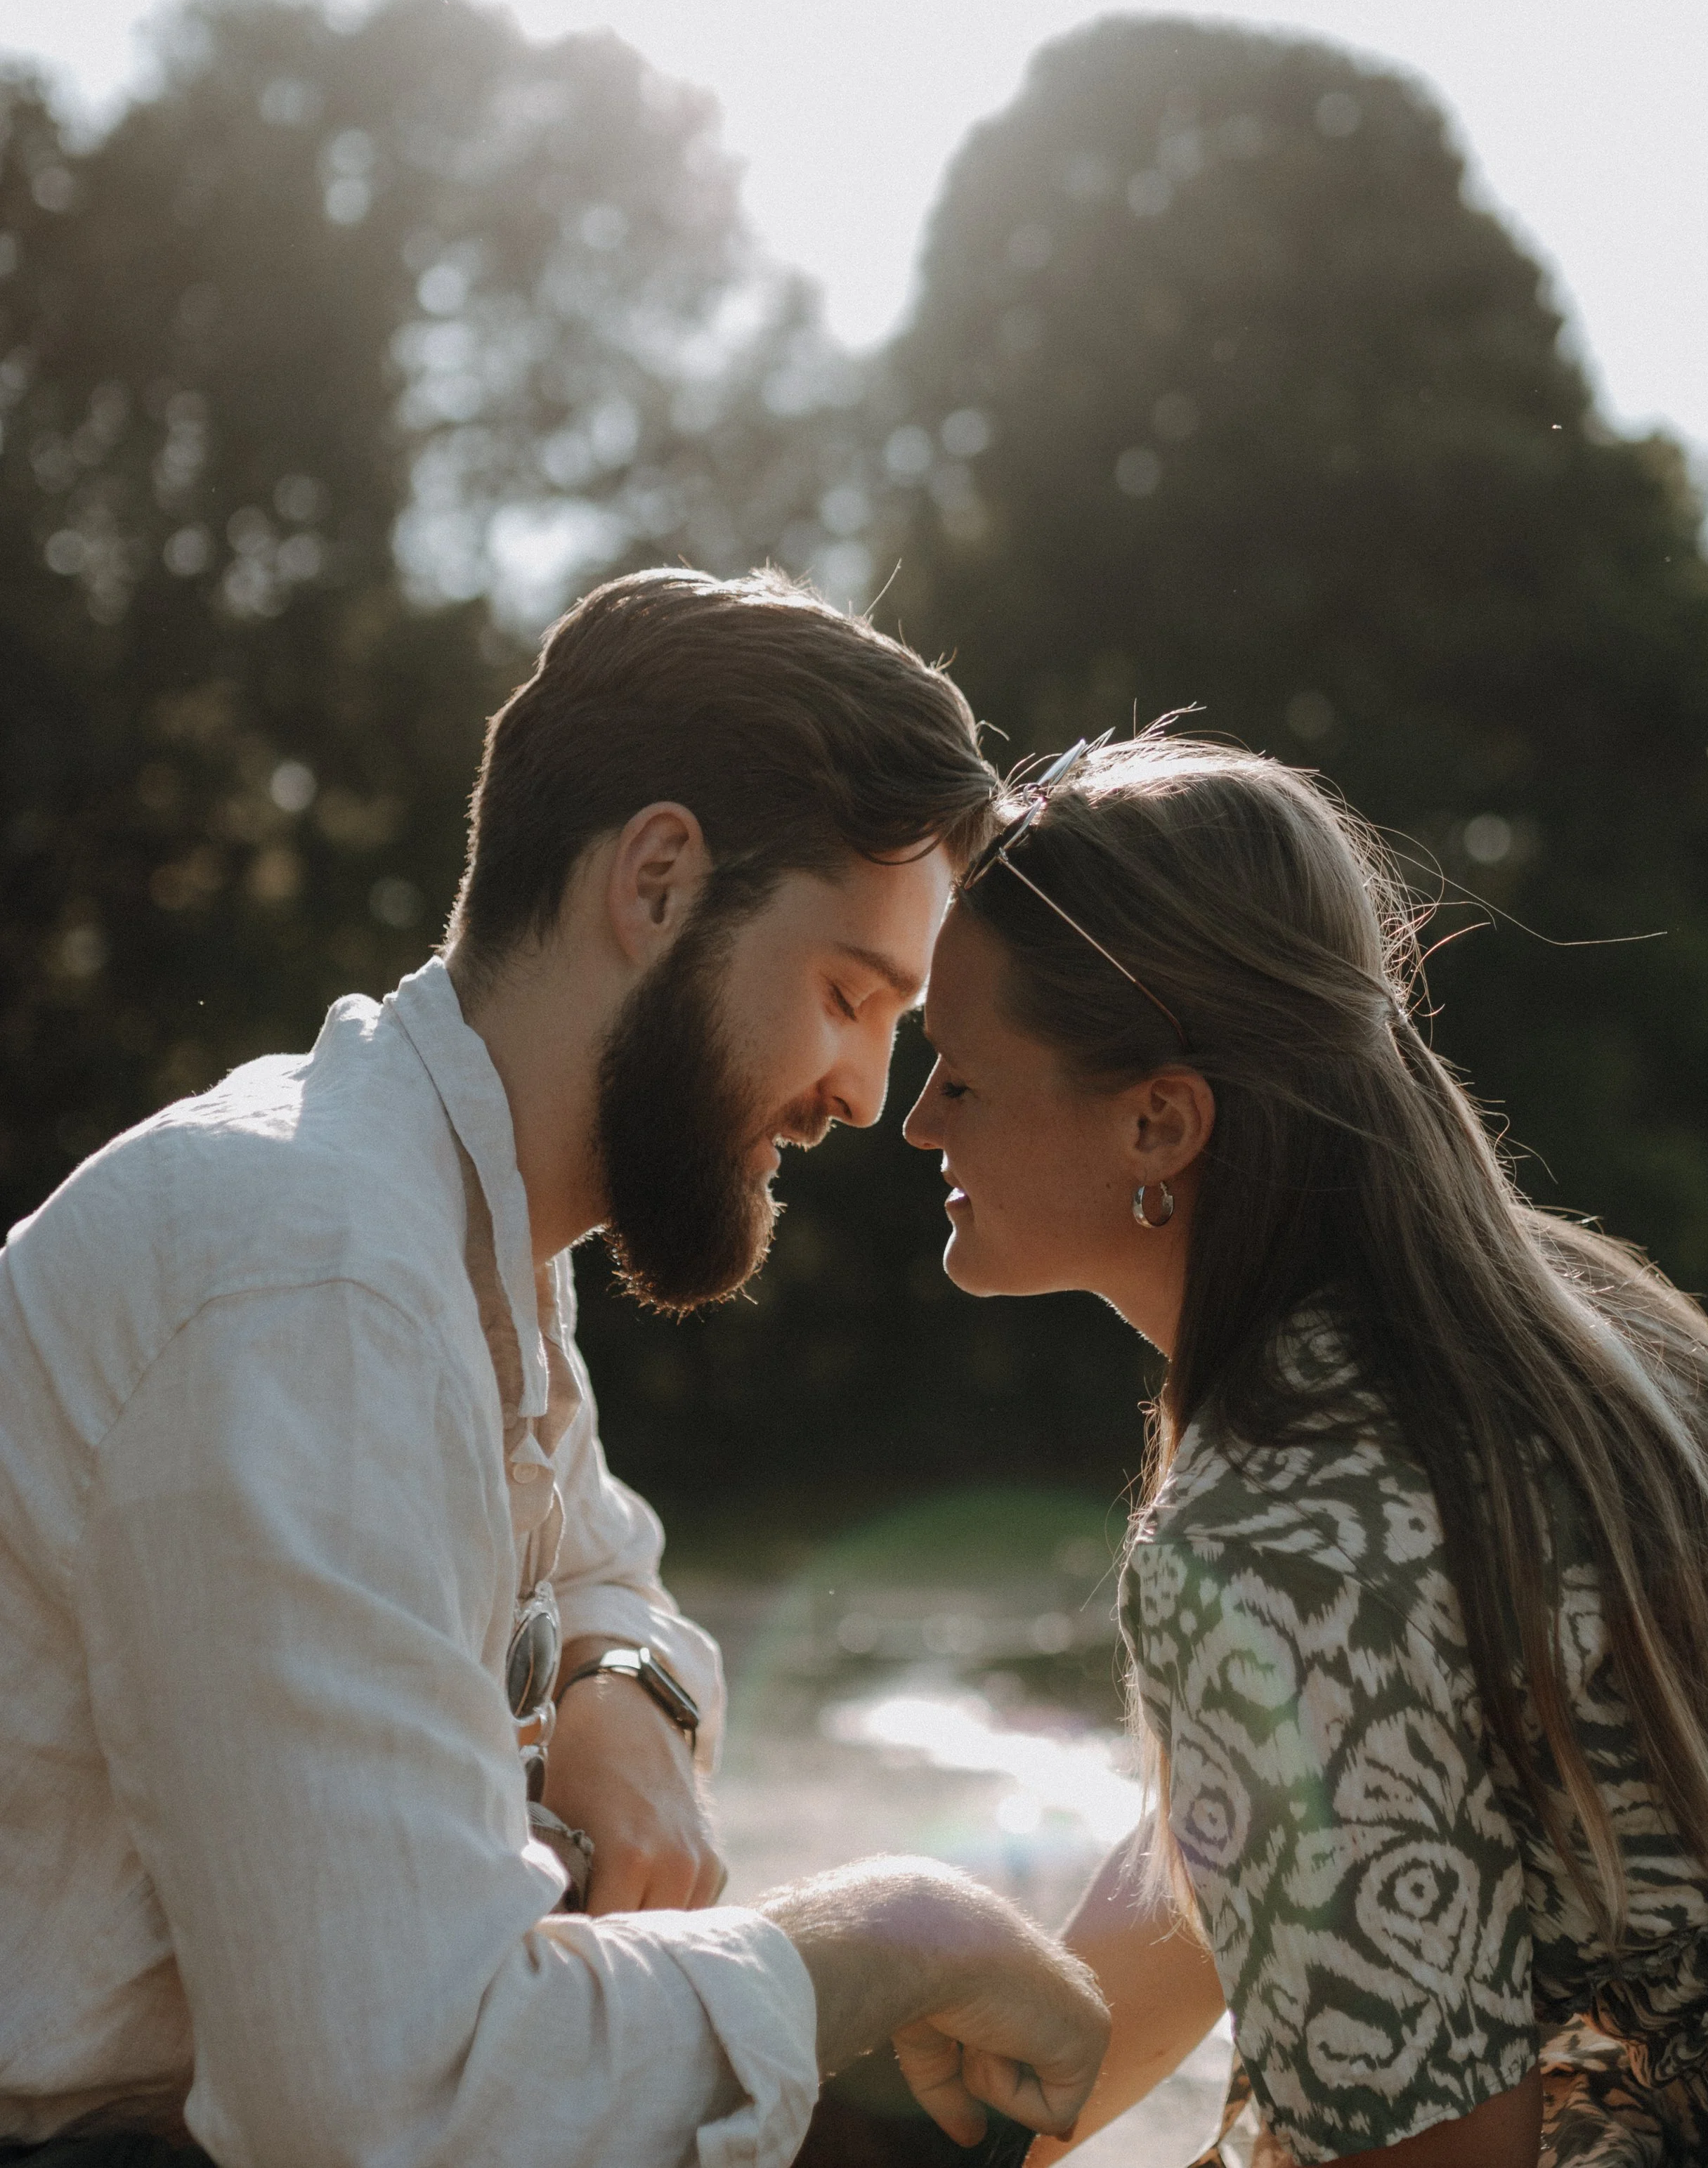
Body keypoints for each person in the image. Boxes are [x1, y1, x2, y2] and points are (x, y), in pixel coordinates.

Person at [0, 569, 1109, 2168]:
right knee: (886, 2093)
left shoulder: (462, 1219)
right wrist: (886, 1937)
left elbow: (604, 1560)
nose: (865, 1093)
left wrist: (619, 1683)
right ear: (658, 881)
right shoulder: (319, 1288)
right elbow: (388, 2099)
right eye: (848, 995)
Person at [903, 728, 1708, 2167]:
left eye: (959, 1078)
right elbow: (1289, 1816)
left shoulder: (1270, 1534)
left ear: (1157, 1124)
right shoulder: (1579, 1325)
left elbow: (1435, 2153)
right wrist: (969, 2122)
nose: (914, 1118)